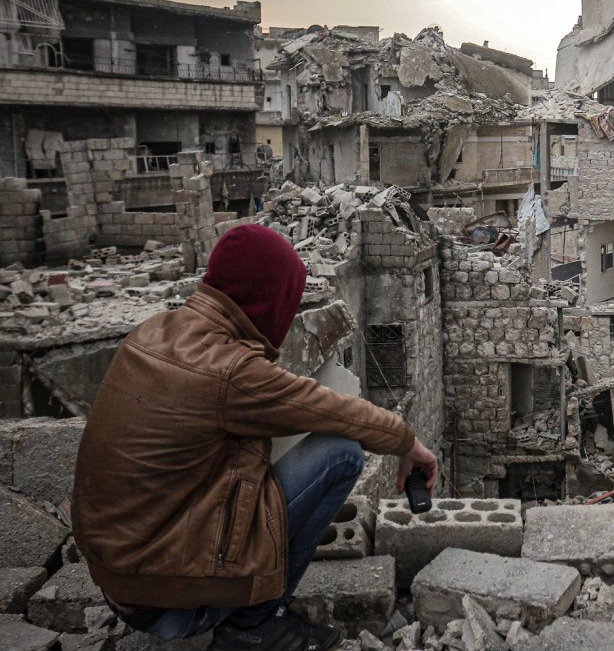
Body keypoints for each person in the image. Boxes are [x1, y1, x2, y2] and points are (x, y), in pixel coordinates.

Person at [72, 225, 438, 651]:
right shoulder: (230, 369)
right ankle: (255, 624)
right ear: (269, 298)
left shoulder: (154, 330)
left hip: (122, 582)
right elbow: (332, 410)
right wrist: (409, 443)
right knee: (339, 454)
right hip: (172, 606)